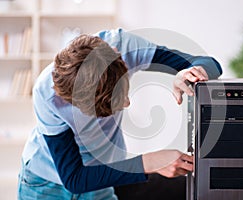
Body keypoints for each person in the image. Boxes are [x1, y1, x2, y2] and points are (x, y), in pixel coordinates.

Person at [17, 28, 222, 200]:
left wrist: (189, 76)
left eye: (123, 93)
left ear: (121, 60)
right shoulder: (46, 93)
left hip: (101, 180)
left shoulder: (125, 47)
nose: (127, 103)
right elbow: (75, 178)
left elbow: (210, 63)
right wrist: (150, 162)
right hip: (45, 183)